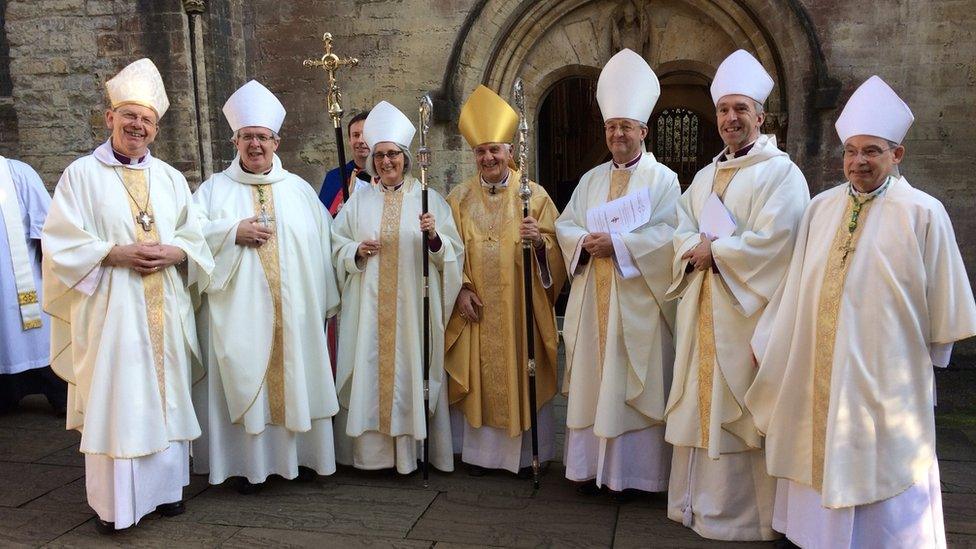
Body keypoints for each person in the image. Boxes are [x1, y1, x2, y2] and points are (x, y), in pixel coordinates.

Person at [746, 75, 976, 549]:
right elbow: (794, 288)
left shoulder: (924, 213)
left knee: (884, 459)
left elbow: (946, 304)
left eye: (871, 151)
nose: (858, 162)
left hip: (889, 375)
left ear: (897, 155)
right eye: (851, 151)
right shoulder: (819, 208)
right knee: (816, 443)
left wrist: (925, 368)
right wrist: (772, 343)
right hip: (817, 366)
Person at [41, 58, 213, 533]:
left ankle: (167, 492)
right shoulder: (80, 176)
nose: (138, 126)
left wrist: (175, 252)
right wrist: (113, 253)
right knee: (121, 400)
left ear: (156, 128)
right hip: (111, 309)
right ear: (110, 118)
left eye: (147, 120)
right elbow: (59, 244)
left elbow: (194, 235)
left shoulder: (172, 178)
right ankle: (116, 507)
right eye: (130, 116)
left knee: (166, 396)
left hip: (165, 306)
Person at [662, 49, 809, 540]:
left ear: (760, 117)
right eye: (724, 110)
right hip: (703, 308)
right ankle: (695, 507)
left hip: (748, 316)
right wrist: (695, 249)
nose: (730, 118)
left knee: (741, 409)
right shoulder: (705, 176)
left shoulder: (782, 174)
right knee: (700, 403)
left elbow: (778, 241)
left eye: (740, 109)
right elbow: (679, 229)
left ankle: (747, 519)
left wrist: (715, 253)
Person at [192, 80, 341, 492]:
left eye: (262, 137)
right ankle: (248, 467)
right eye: (247, 137)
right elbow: (189, 238)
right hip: (237, 319)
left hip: (295, 320)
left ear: (276, 141)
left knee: (300, 373)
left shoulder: (298, 191)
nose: (255, 144)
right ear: (234, 140)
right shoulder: (212, 192)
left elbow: (327, 246)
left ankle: (305, 458)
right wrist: (230, 232)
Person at [555, 49, 679, 498]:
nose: (617, 134)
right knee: (594, 380)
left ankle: (635, 476)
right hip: (594, 301)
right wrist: (583, 245)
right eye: (611, 127)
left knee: (630, 382)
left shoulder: (664, 180)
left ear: (643, 130)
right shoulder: (589, 180)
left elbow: (671, 234)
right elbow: (565, 224)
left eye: (625, 126)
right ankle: (589, 471)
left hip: (636, 304)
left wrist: (622, 245)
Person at [331, 100, 463, 474]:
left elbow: (451, 255)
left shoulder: (428, 199)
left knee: (411, 370)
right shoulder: (358, 203)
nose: (387, 161)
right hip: (368, 312)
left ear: (406, 157)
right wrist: (355, 250)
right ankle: (372, 458)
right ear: (371, 160)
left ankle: (411, 456)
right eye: (380, 155)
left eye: (393, 154)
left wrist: (435, 237)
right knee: (369, 371)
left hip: (411, 313)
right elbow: (335, 244)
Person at [445, 85, 565, 477]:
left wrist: (541, 244)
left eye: (495, 149)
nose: (488, 157)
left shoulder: (535, 196)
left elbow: (557, 252)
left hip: (519, 309)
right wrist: (460, 289)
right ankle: (480, 456)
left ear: (510, 151)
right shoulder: (458, 199)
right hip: (477, 310)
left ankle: (525, 455)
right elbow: (448, 251)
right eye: (480, 151)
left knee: (522, 369)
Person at [0, 157, 64, 413]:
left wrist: (54, 280)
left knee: (37, 342)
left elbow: (45, 227)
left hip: (22, 283)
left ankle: (59, 394)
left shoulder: (17, 173)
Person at [318, 111, 372, 216]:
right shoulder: (334, 177)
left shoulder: (385, 179)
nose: (360, 140)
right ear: (350, 141)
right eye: (356, 135)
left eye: (366, 134)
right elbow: (322, 220)